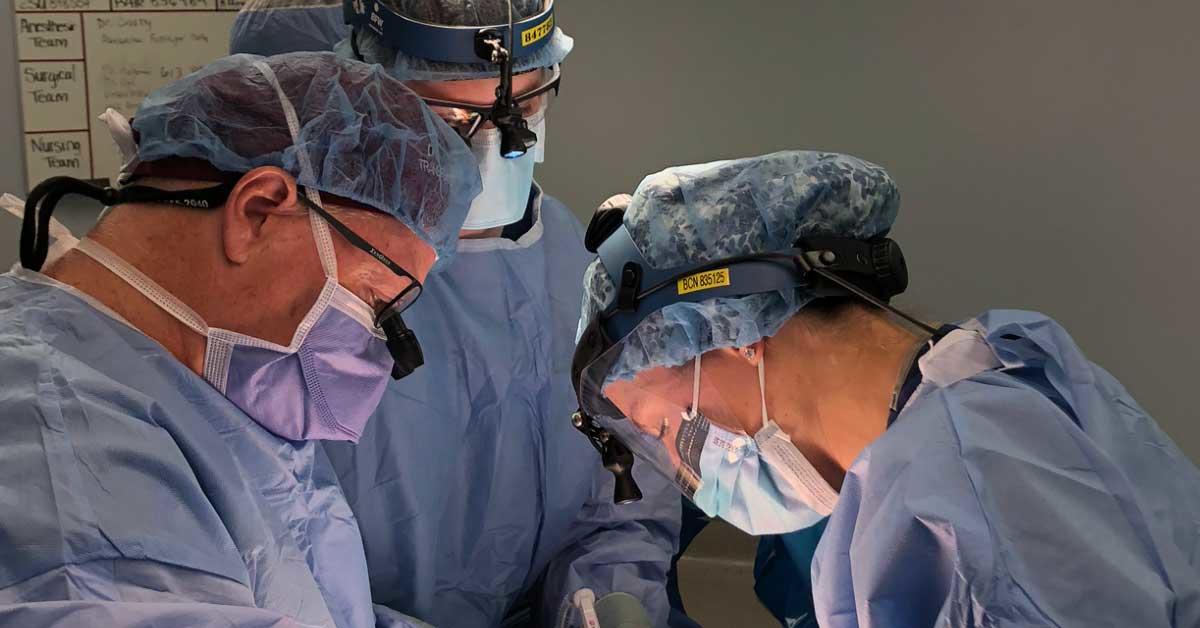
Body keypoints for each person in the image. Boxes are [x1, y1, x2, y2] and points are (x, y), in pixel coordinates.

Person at [571, 150, 1200, 627]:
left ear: (733, 331)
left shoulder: (974, 505)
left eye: (661, 428)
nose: (685, 468)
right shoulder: (1000, 375)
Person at [230, 2, 683, 627]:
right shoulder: (294, 284)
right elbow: (259, 548)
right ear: (361, 94)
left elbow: (621, 490)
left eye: (523, 108)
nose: (497, 149)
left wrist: (605, 596)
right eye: (447, 119)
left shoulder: (566, 260)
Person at [0, 51, 481, 627]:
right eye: (378, 300)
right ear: (257, 211)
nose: (382, 344)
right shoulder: (62, 437)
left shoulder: (188, 385)